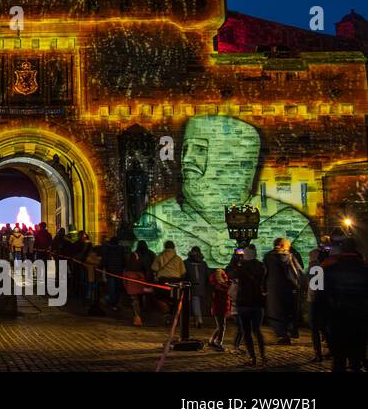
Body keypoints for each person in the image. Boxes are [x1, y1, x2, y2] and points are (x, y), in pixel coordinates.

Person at [134, 116, 317, 267]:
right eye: (186, 149)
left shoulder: (288, 221)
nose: (187, 159)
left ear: (234, 157)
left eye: (200, 149)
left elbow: (310, 278)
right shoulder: (157, 218)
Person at [321, 237, 368, 373]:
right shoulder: (364, 269)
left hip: (338, 318)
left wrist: (322, 318)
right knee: (356, 358)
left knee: (339, 359)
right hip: (359, 319)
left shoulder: (330, 269)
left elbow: (322, 295)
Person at [230, 245, 268, 367]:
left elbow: (231, 274)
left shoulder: (241, 267)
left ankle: (253, 358)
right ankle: (263, 356)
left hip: (244, 302)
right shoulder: (262, 266)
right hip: (258, 302)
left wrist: (235, 261)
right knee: (257, 330)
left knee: (246, 332)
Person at [263, 237, 301, 344]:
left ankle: (281, 335)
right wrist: (298, 284)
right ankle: (288, 334)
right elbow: (297, 272)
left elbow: (264, 273)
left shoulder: (268, 257)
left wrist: (264, 286)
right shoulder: (290, 257)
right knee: (288, 311)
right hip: (289, 288)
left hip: (273, 288)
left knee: (276, 311)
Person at [152, 241, 187, 323]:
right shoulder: (178, 258)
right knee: (175, 299)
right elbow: (183, 272)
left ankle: (166, 312)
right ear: (174, 247)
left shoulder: (160, 256)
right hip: (175, 282)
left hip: (163, 281)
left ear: (165, 246)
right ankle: (174, 316)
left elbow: (154, 268)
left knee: (159, 297)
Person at [307, 248, 327, 364]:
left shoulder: (314, 267)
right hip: (321, 300)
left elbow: (314, 285)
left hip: (314, 301)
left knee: (314, 327)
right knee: (323, 326)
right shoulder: (322, 266)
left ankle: (318, 354)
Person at [124, 248, 151, 326]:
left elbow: (125, 282)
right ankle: (139, 317)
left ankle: (137, 317)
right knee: (140, 300)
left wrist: (126, 288)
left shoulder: (127, 271)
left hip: (131, 288)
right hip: (139, 287)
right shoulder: (140, 271)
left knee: (134, 301)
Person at [186, 246, 210, 328]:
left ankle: (198, 320)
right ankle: (198, 319)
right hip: (201, 286)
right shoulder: (203, 263)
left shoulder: (186, 262)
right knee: (197, 302)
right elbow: (208, 276)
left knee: (193, 302)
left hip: (190, 286)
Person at [207, 268, 231, 351]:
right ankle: (218, 342)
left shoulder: (216, 286)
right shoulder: (221, 287)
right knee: (222, 327)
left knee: (220, 326)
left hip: (219, 307)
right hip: (219, 307)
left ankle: (212, 340)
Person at [100, 237, 127, 311]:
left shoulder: (107, 249)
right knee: (117, 288)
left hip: (110, 272)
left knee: (112, 288)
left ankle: (113, 304)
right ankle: (116, 303)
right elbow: (124, 260)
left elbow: (104, 259)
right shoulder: (121, 249)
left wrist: (101, 267)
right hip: (119, 272)